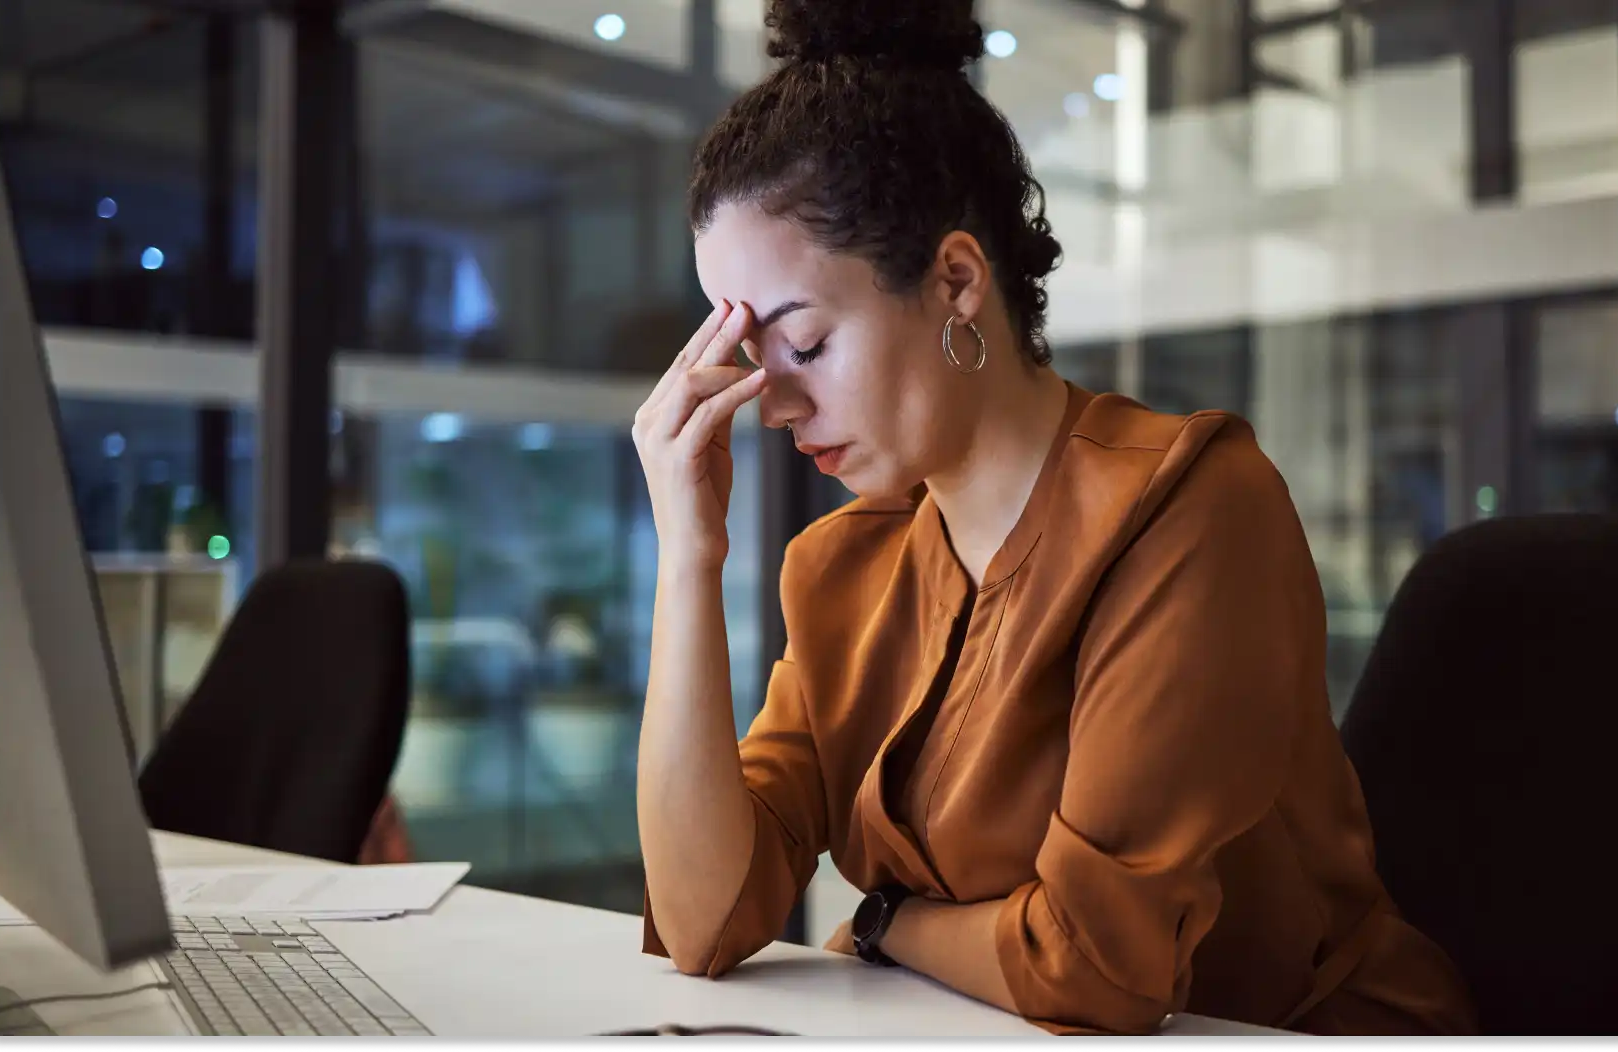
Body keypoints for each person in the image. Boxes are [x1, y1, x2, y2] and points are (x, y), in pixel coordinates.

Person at [630, 0, 1477, 1037]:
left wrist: (888, 917)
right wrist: (687, 556)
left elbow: (1094, 970)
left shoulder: (1189, 507)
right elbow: (701, 919)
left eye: (801, 346)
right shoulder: (841, 566)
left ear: (955, 280)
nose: (771, 401)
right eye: (748, 358)